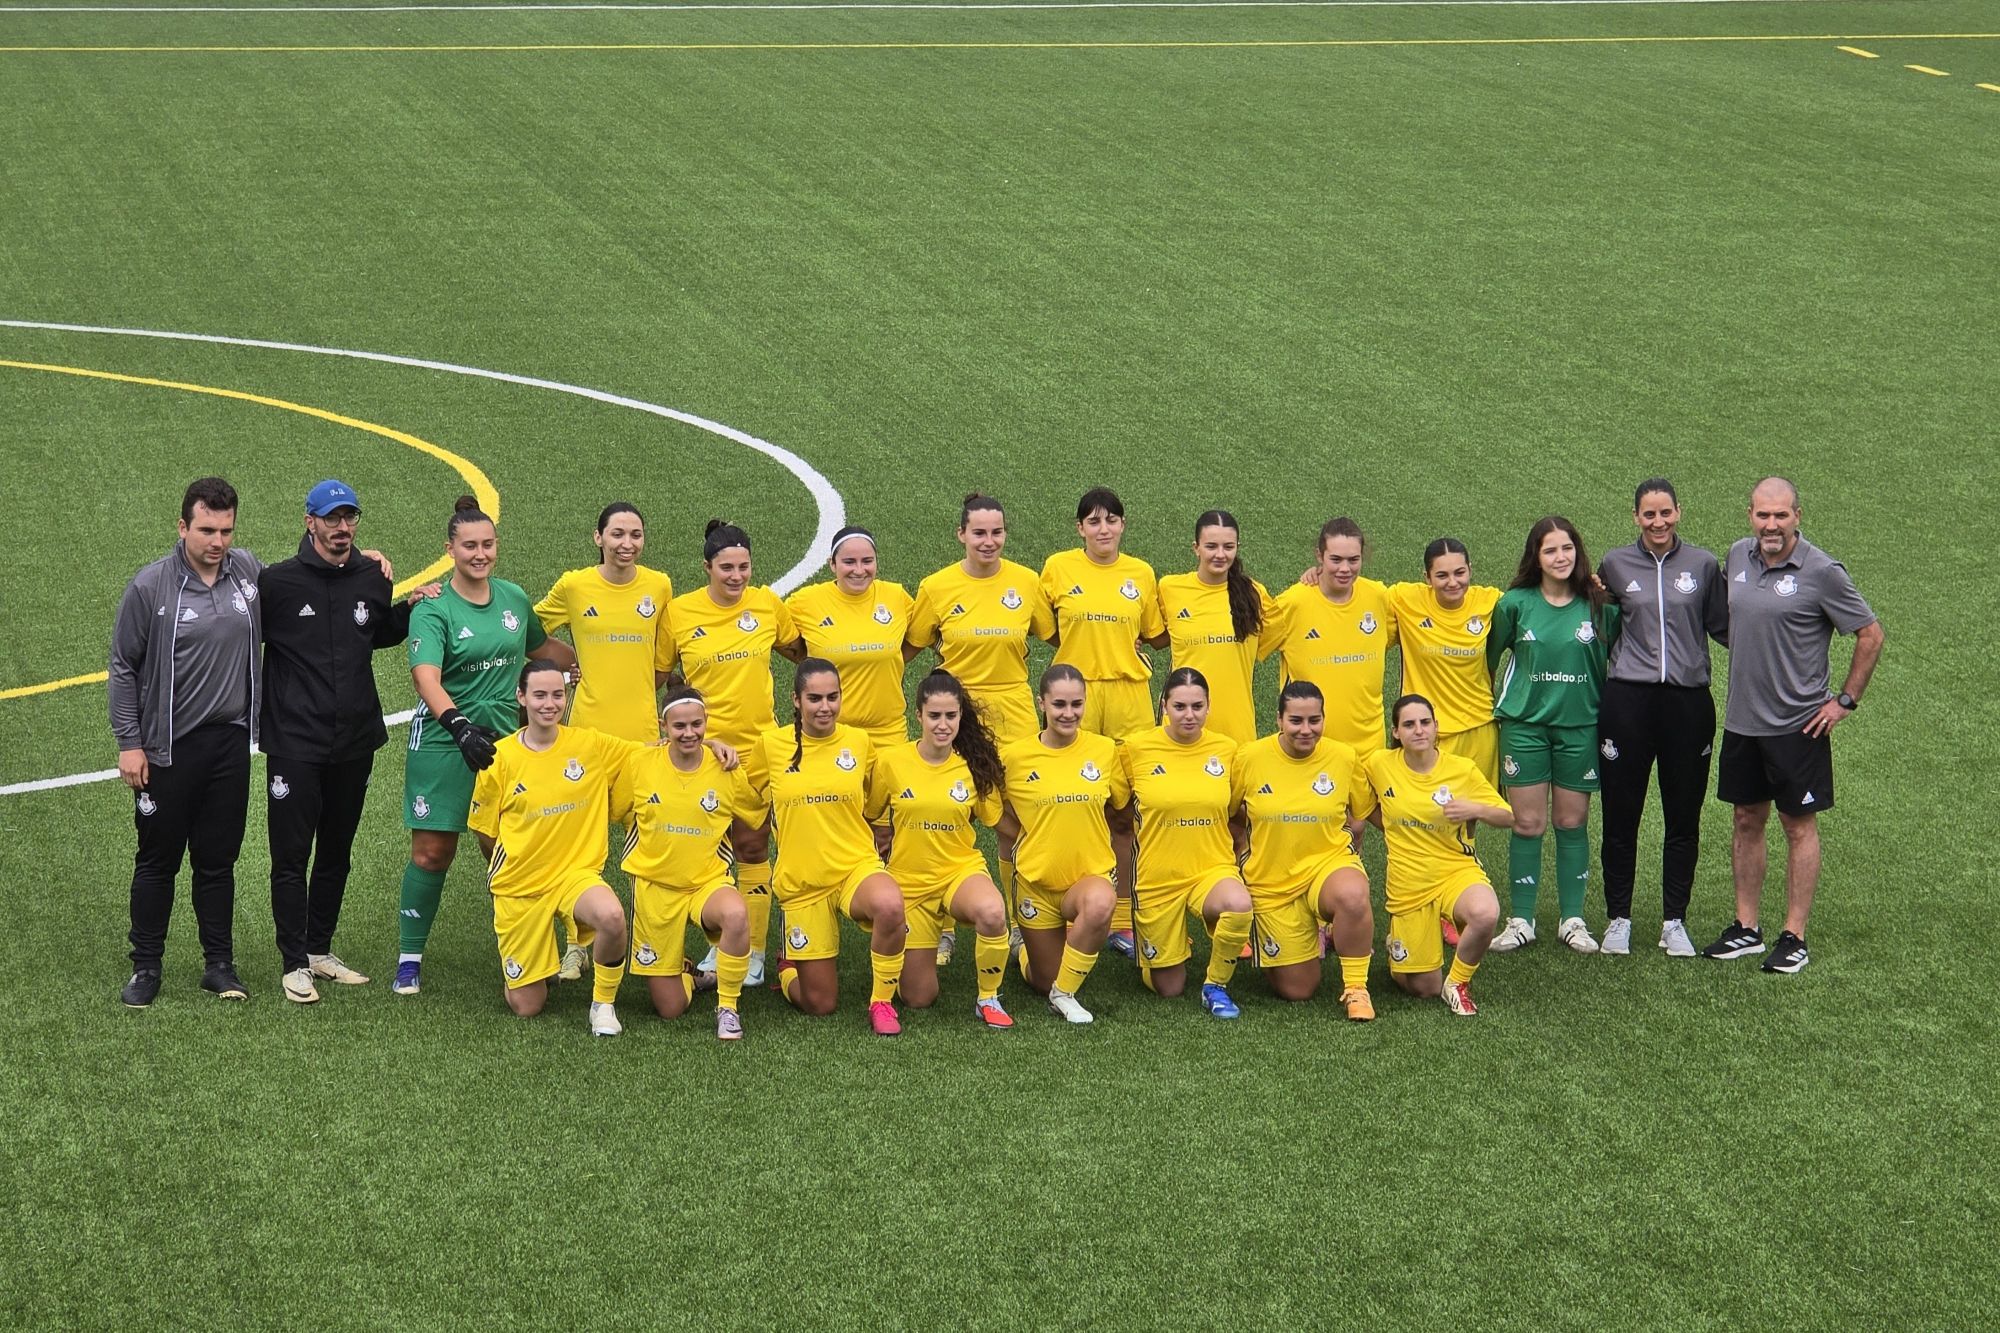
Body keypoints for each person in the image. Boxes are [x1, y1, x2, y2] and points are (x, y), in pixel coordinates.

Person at [395, 495, 576, 996]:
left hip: (504, 744)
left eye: (488, 544)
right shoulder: (434, 607)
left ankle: (526, 951)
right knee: (433, 851)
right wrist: (457, 725)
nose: (480, 553)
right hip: (443, 740)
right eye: (469, 545)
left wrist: (596, 660)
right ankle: (410, 956)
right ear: (449, 548)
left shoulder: (514, 598)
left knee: (505, 848)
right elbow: (425, 676)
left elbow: (545, 651)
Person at [1704, 477, 1883, 974]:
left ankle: (1794, 935)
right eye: (1763, 515)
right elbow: (1733, 624)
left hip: (1798, 727)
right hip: (1743, 721)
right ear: (1750, 515)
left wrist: (1844, 701)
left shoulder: (1823, 572)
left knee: (1797, 825)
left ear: (1798, 517)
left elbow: (1870, 635)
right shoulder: (1737, 557)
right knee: (1745, 818)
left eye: (1781, 515)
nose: (1771, 525)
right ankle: (1746, 928)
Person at [258, 479, 424, 1003]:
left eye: (349, 517)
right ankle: (292, 963)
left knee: (336, 850)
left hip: (353, 740)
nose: (342, 527)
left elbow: (375, 633)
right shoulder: (275, 583)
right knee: (291, 854)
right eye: (331, 518)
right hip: (294, 742)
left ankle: (318, 950)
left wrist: (412, 605)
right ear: (309, 522)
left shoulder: (372, 576)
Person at [113, 477, 265, 1007]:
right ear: (182, 527)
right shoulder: (151, 587)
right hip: (168, 749)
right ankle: (145, 967)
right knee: (157, 860)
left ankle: (218, 965)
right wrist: (129, 742)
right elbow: (123, 666)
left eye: (225, 530)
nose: (217, 541)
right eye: (206, 530)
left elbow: (304, 586)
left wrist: (365, 562)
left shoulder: (246, 571)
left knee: (218, 860)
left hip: (229, 746)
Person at [907, 493, 1055, 932]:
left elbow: (1060, 636)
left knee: (1016, 821)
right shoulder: (936, 587)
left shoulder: (1027, 583)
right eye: (979, 533)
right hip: (954, 718)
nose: (988, 542)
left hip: (1015, 713)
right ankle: (942, 927)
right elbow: (908, 647)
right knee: (948, 814)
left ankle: (1019, 920)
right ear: (961, 535)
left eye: (996, 532)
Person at [664, 519, 803, 986]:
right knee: (700, 852)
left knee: (750, 846)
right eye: (726, 568)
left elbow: (800, 651)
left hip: (758, 752)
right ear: (707, 567)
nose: (737, 576)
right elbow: (662, 673)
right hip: (699, 752)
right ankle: (717, 945)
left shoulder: (767, 605)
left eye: (744, 567)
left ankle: (755, 954)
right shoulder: (680, 612)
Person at [1596, 479, 1730, 958]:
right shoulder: (1613, 564)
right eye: (1649, 515)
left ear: (1679, 512)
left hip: (1688, 704)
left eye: (1665, 513)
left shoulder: (1703, 564)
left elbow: (1727, 627)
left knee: (1683, 815)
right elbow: (1593, 622)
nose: (1658, 523)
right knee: (1621, 812)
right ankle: (1619, 919)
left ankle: (1674, 921)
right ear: (1635, 517)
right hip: (1627, 701)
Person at [466, 663, 638, 1036]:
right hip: (520, 885)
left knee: (611, 916)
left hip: (574, 876)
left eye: (557, 694)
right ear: (522, 697)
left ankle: (603, 1004)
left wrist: (712, 745)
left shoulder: (591, 745)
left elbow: (655, 753)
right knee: (528, 1006)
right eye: (540, 695)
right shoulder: (499, 758)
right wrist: (514, 861)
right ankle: (526, 967)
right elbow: (485, 833)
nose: (549, 704)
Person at [742, 659, 908, 1035]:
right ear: (796, 700)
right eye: (814, 698)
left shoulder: (858, 742)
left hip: (854, 867)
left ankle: (881, 1001)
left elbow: (877, 796)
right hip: (803, 881)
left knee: (890, 904)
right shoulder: (771, 746)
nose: (825, 707)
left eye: (833, 697)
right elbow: (744, 793)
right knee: (820, 1004)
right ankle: (788, 968)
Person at [1486, 516, 1620, 955]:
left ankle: (1573, 919)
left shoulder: (1601, 606)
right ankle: (1521, 919)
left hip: (1580, 727)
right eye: (1550, 550)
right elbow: (1490, 658)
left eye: (1567, 548)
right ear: (1536, 558)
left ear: (1578, 553)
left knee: (1571, 822)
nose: (1561, 557)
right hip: (1524, 727)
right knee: (1528, 823)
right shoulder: (1514, 604)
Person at [1039, 486, 1163, 954]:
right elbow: (1048, 629)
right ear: (1079, 529)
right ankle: (1074, 910)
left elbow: (1153, 633)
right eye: (1093, 521)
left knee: (1128, 811)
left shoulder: (1142, 574)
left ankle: (1127, 918)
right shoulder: (1057, 568)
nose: (1103, 528)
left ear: (1123, 525)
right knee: (1078, 805)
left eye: (1111, 519)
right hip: (1079, 697)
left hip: (1130, 698)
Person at [867, 671, 1014, 1028]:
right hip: (910, 885)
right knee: (919, 998)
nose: (943, 724)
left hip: (958, 873)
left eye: (951, 716)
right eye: (935, 716)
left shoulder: (973, 766)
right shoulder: (891, 762)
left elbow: (999, 823)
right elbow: (869, 816)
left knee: (993, 912)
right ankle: (918, 950)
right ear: (918, 716)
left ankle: (988, 998)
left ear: (961, 716)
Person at [611, 686, 757, 1040]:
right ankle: (689, 974)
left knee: (736, 914)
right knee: (671, 1009)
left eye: (697, 725)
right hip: (655, 887)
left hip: (706, 883)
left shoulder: (725, 769)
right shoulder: (639, 764)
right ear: (664, 726)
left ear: (707, 723)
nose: (689, 733)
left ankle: (728, 1007)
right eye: (679, 726)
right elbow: (617, 811)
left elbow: (756, 812)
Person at [1356, 695, 1511, 1015]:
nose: (1419, 730)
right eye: (1409, 724)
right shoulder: (1380, 764)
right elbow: (1360, 799)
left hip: (1456, 871)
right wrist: (1389, 826)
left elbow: (1508, 816)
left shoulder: (1461, 770)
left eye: (1425, 722)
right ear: (1396, 732)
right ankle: (1398, 944)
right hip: (1409, 883)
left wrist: (1476, 808)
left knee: (1485, 913)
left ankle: (1457, 984)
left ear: (1436, 727)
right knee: (1422, 987)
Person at [1231, 681, 1376, 1019]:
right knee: (1298, 990)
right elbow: (1226, 811)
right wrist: (1237, 855)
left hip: (1327, 865)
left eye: (1315, 720)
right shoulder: (1250, 758)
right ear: (1279, 720)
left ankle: (1356, 988)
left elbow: (1367, 811)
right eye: (1296, 720)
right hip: (1272, 882)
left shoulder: (1343, 757)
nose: (1306, 730)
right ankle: (1306, 935)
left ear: (1324, 719)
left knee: (1353, 895)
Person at [1118, 668, 1256, 1019]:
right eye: (1180, 706)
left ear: (1209, 707)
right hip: (1157, 879)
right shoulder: (1136, 749)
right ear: (1164, 705)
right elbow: (1115, 808)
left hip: (1210, 869)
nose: (1189, 715)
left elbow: (1238, 811)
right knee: (1169, 988)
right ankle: (1168, 947)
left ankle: (1215, 985)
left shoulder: (1226, 750)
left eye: (1197, 706)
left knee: (1238, 903)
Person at [997, 665, 1129, 1024]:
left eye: (1076, 704)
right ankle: (1022, 948)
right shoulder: (1015, 757)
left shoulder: (1103, 751)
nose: (1068, 713)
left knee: (1102, 903)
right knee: (1042, 979)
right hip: (1036, 885)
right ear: (1042, 703)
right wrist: (1023, 833)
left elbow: (1121, 806)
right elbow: (992, 810)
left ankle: (1064, 995)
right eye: (1059, 704)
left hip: (1086, 880)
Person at [533, 501, 675, 743]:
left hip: (642, 731)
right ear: (598, 537)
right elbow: (527, 633)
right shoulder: (574, 586)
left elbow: (664, 658)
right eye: (617, 534)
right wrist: (570, 664)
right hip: (587, 729)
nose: (627, 544)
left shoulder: (660, 585)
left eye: (636, 535)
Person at [1152, 510, 1284, 744]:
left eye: (1228, 547)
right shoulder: (1170, 589)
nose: (1220, 554)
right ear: (1196, 548)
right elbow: (1149, 631)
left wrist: (1316, 576)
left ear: (1237, 547)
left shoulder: (1255, 595)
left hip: (1236, 732)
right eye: (1211, 546)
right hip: (1181, 728)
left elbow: (1288, 634)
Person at [1274, 517, 1398, 759]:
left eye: (1353, 560)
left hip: (1370, 749)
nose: (1345, 569)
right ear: (1319, 556)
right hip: (1312, 746)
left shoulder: (1379, 597)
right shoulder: (1293, 602)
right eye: (1335, 559)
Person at [787, 525, 916, 751]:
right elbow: (776, 634)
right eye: (849, 562)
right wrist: (808, 660)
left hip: (888, 733)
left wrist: (890, 659)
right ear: (832, 564)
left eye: (867, 561)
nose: (859, 570)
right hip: (828, 732)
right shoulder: (805, 602)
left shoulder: (896, 597)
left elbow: (922, 635)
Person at [1388, 538, 1503, 785]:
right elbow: (1357, 594)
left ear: (1470, 569)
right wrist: (1318, 574)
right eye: (1442, 575)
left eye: (1460, 572)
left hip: (1478, 727)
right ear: (1427, 577)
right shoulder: (1404, 599)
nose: (1453, 582)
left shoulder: (1490, 601)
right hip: (1426, 729)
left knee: (1469, 814)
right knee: (1428, 810)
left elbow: (1537, 602)